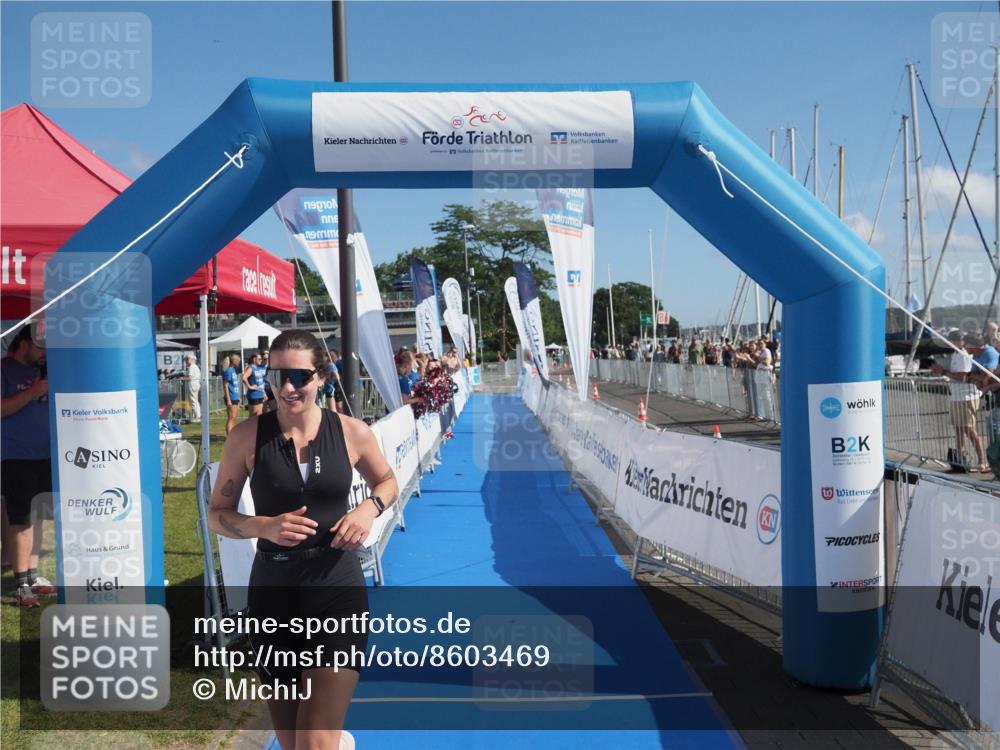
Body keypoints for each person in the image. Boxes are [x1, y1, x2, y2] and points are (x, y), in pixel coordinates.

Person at [208, 329, 398, 750]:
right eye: (277, 377)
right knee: (291, 741)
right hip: (273, 594)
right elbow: (216, 516)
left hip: (336, 587)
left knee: (315, 741)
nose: (288, 388)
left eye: (299, 376)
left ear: (321, 377)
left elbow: (387, 481)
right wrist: (263, 526)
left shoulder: (352, 432)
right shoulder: (245, 437)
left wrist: (369, 509)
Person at [1, 325, 56, 607]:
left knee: (37, 518)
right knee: (20, 520)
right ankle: (21, 583)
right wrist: (32, 393)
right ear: (24, 344)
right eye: (41, 348)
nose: (45, 354)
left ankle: (33, 577)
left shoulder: (41, 371)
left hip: (44, 455)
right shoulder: (5, 369)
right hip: (15, 456)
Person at [932, 330, 988, 472]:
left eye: (953, 341)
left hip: (967, 396)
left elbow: (963, 376)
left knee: (970, 430)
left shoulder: (963, 354)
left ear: (959, 342)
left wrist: (943, 372)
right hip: (957, 396)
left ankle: (982, 462)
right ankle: (960, 460)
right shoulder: (955, 354)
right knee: (959, 430)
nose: (951, 343)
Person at [243, 352, 268, 416]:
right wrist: (250, 387)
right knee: (253, 416)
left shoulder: (257, 368)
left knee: (259, 414)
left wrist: (264, 393)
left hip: (260, 394)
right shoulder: (251, 368)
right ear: (254, 359)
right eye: (259, 359)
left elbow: (260, 383)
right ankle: (249, 426)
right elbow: (244, 378)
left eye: (261, 359)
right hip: (254, 395)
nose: (261, 360)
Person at [223, 354, 243, 434]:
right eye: (238, 360)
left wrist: (238, 398)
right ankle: (229, 436)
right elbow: (225, 385)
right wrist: (228, 400)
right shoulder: (229, 371)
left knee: (234, 418)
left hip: (235, 397)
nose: (239, 362)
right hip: (231, 398)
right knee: (231, 417)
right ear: (234, 361)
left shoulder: (233, 370)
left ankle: (232, 434)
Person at [184, 354, 202, 423]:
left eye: (187, 359)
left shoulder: (192, 367)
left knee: (194, 401)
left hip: (193, 385)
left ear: (192, 360)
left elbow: (190, 377)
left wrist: (182, 378)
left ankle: (197, 417)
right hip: (196, 384)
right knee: (195, 401)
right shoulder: (195, 367)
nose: (186, 361)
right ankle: (197, 416)